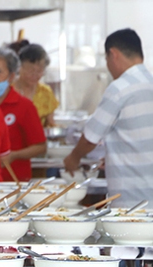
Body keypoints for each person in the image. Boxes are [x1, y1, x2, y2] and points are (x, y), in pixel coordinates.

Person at [64, 28, 153, 207]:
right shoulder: (149, 83)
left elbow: (90, 138)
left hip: (131, 200)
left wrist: (73, 158)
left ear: (113, 54)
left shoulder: (119, 88)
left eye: (106, 59)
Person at [0, 47, 46, 182]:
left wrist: (13, 155)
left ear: (11, 76)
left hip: (14, 181)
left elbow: (40, 147)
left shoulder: (24, 106)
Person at [12, 42, 59, 128]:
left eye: (40, 71)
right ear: (19, 67)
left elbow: (50, 124)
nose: (35, 75)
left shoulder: (46, 92)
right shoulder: (8, 90)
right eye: (30, 70)